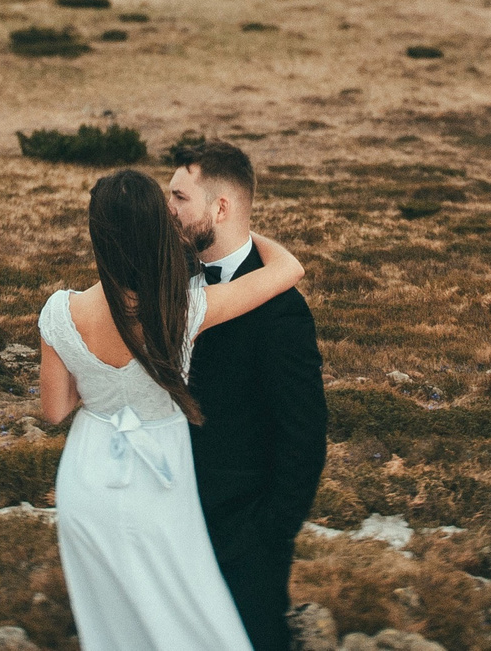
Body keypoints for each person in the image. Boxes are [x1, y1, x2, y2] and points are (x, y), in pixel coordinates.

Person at [37, 167, 306, 651]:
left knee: (112, 620)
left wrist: (98, 382)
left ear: (97, 235)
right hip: (160, 475)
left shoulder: (59, 312)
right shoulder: (186, 309)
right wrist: (238, 220)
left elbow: (55, 410)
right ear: (158, 229)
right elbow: (289, 270)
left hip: (88, 476)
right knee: (184, 608)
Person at [169, 141, 328, 651]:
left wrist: (270, 532)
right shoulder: (167, 284)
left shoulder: (282, 312)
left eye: (178, 198)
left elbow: (303, 433)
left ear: (221, 207)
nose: (167, 210)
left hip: (246, 535)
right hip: (170, 522)